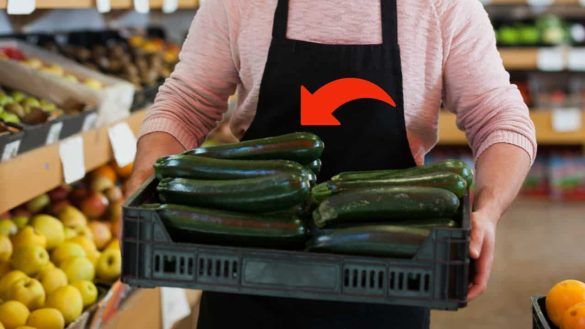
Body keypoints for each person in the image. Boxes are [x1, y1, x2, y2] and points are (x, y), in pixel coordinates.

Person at [126, 0, 537, 328]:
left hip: (390, 273)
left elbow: (500, 117)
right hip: (246, 267)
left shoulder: (440, 6)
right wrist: (147, 171)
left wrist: (488, 209)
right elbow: (186, 103)